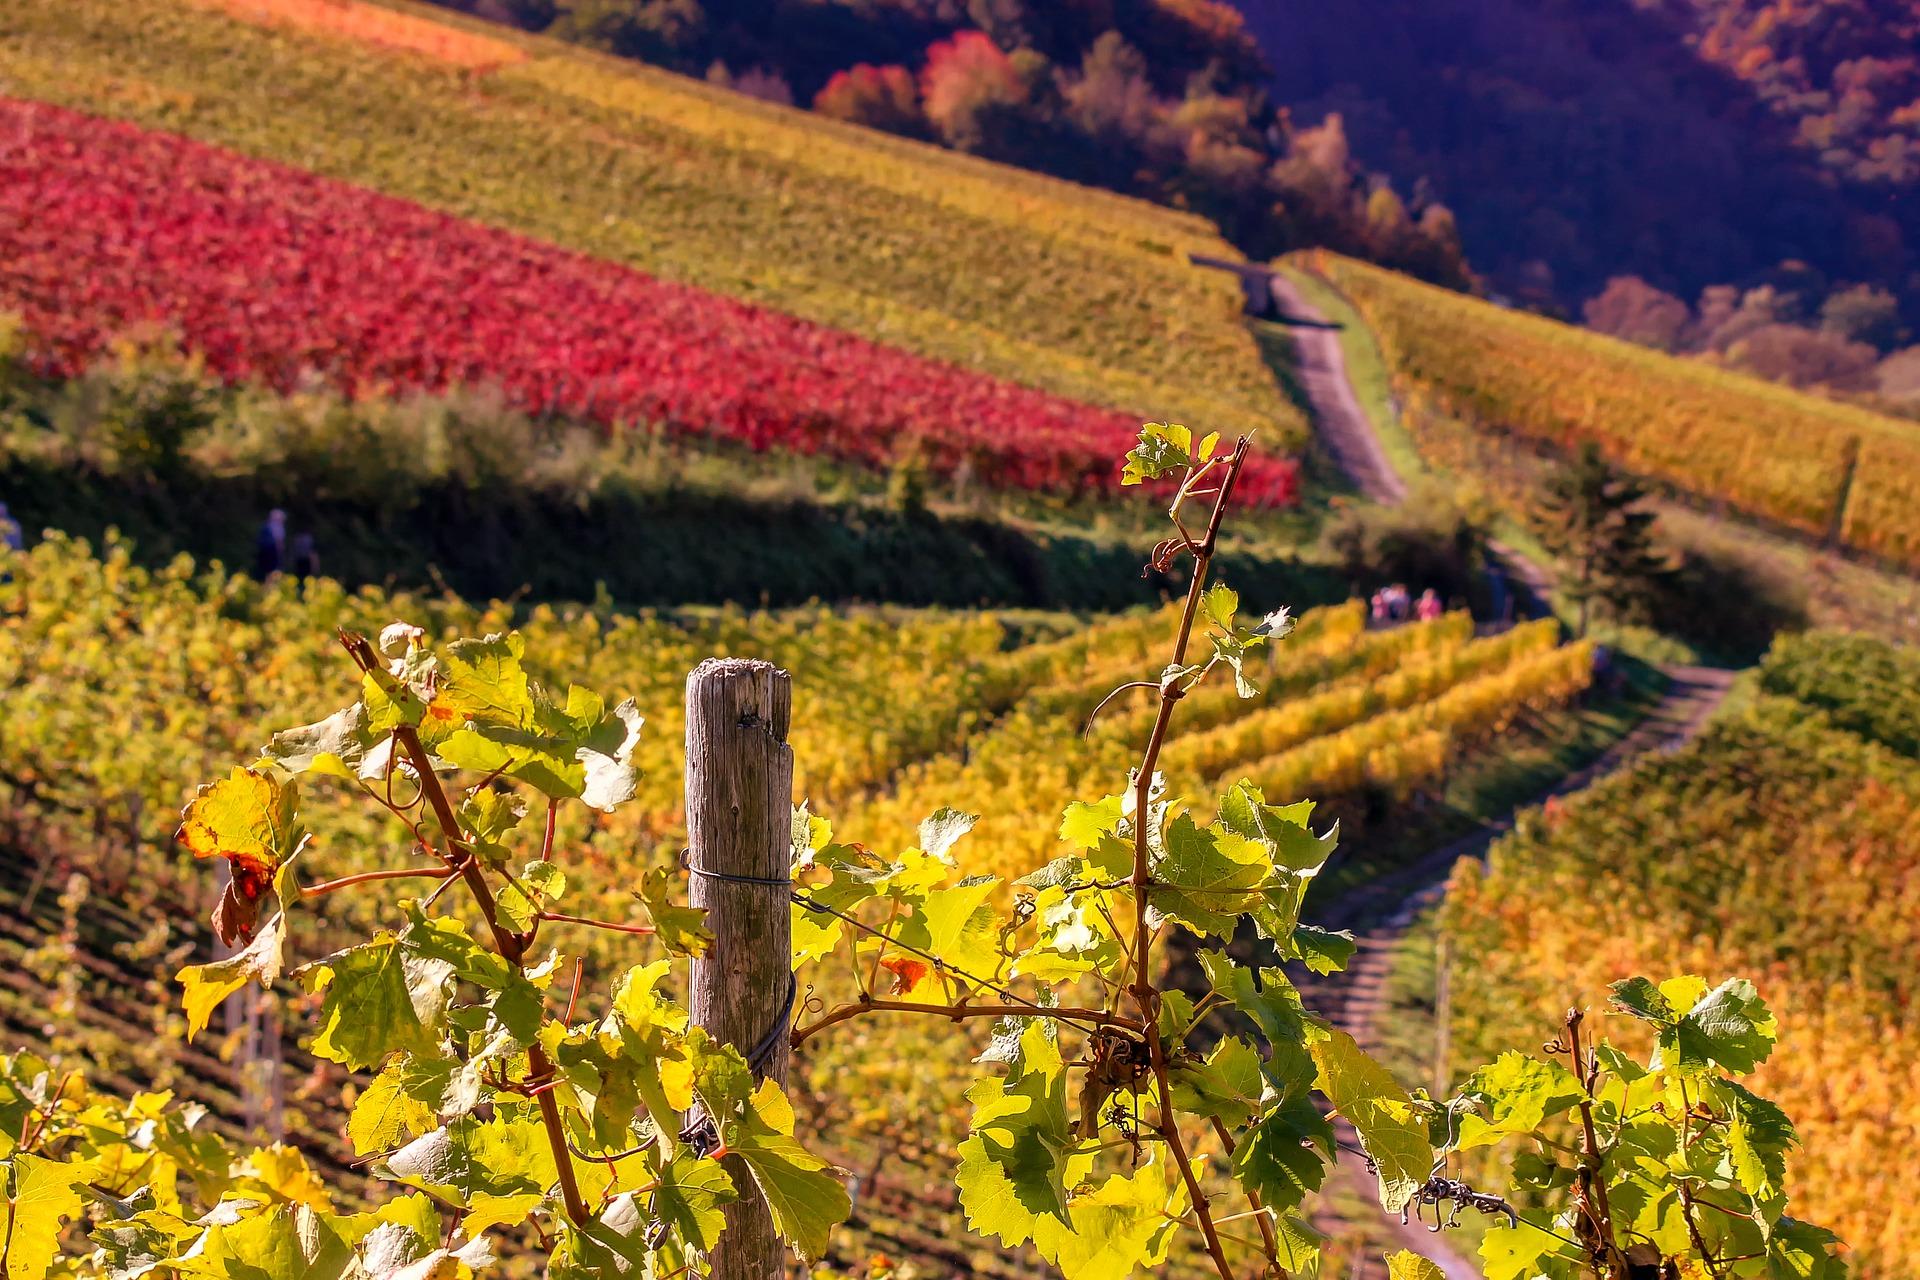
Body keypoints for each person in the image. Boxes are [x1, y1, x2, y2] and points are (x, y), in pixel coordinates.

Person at [255, 510, 287, 580]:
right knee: (272, 572)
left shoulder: (266, 526)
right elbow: (279, 541)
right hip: (272, 552)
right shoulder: (278, 527)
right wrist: (280, 553)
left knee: (264, 571)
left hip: (263, 552)